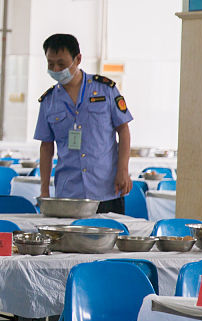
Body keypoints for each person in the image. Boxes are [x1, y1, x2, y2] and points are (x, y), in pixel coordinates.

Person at [34, 33, 133, 213]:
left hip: (107, 188)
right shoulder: (48, 101)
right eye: (51, 64)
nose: (56, 69)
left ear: (78, 59)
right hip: (68, 192)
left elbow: (123, 130)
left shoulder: (105, 90)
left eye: (61, 64)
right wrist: (44, 190)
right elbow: (46, 147)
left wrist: (123, 170)